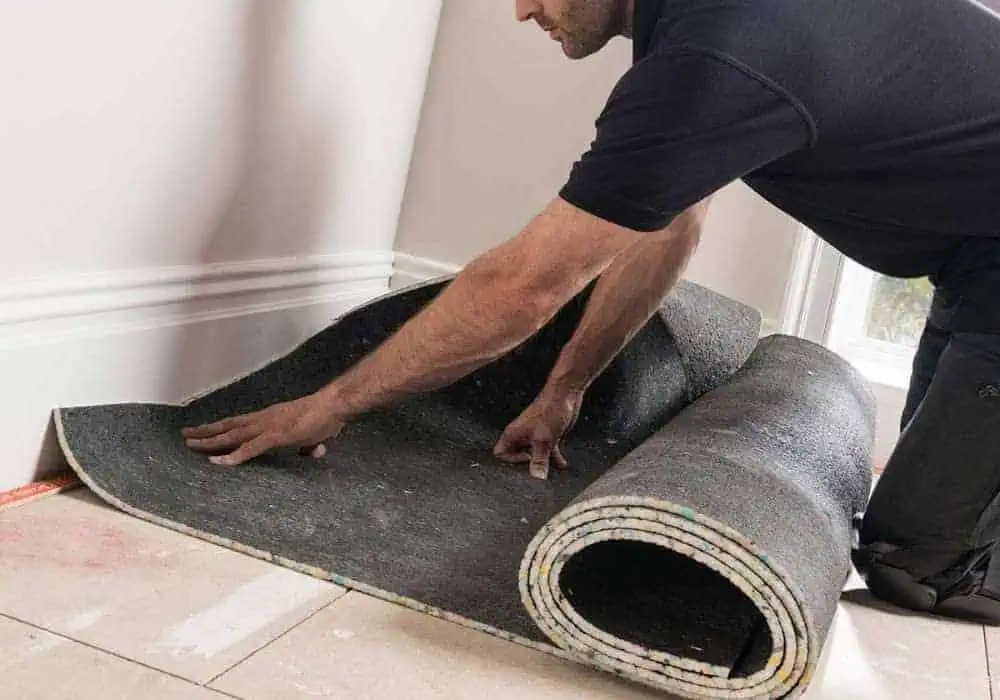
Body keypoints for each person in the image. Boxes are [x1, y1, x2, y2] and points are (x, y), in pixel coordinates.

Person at [184, 0, 1000, 622]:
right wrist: (568, 386)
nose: (522, 9)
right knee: (938, 493)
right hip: (975, 264)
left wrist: (331, 404)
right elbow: (669, 225)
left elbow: (522, 285)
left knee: (912, 563)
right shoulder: (701, 33)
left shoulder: (723, 54)